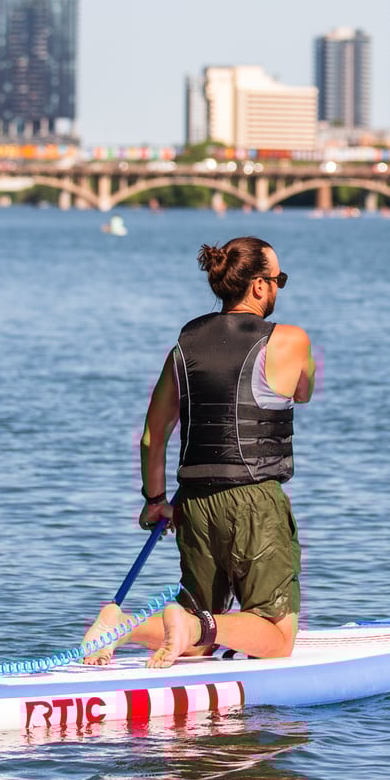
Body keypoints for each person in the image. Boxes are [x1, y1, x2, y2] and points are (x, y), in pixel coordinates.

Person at [82, 236, 315, 668]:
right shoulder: (290, 339)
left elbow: (155, 432)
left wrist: (155, 502)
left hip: (193, 502)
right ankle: (187, 626)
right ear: (260, 287)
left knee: (200, 627)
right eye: (278, 279)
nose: (279, 287)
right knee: (276, 634)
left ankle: (119, 627)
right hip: (254, 502)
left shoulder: (183, 346)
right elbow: (302, 392)